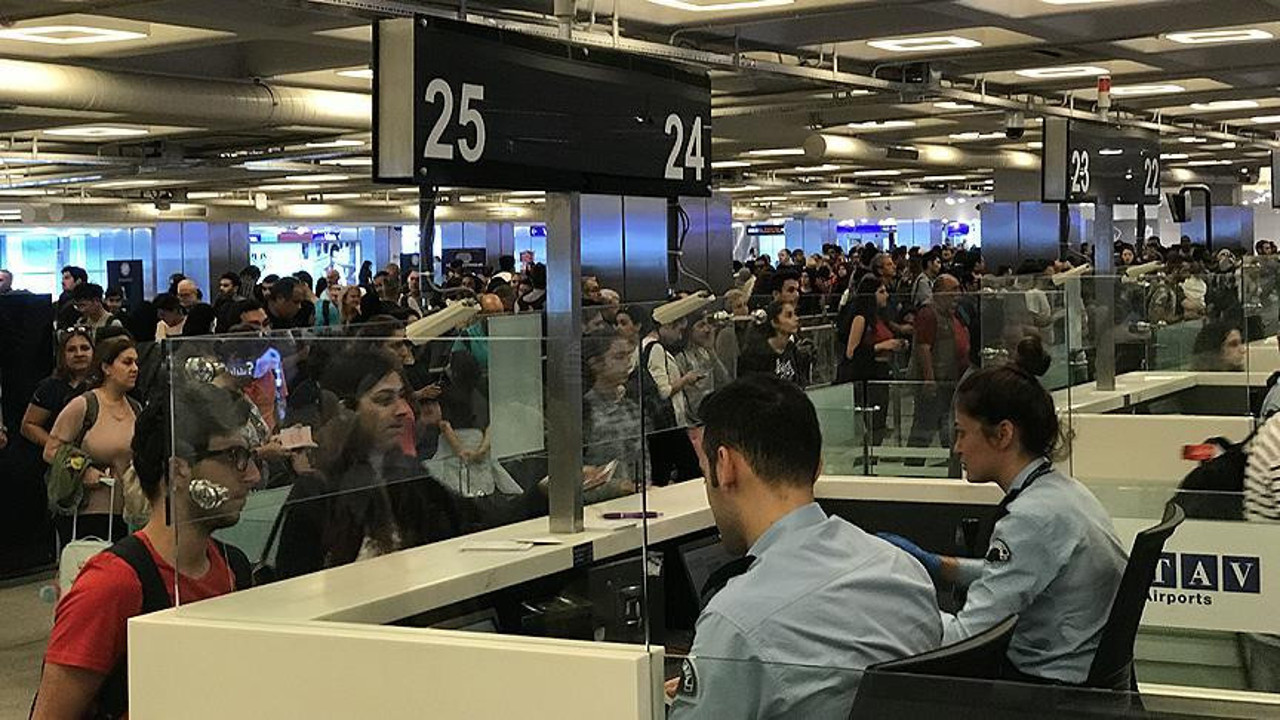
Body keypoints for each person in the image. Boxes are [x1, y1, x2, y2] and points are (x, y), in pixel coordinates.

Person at [667, 375, 941, 719]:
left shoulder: (734, 622)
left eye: (704, 471)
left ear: (725, 466)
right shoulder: (904, 571)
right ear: (818, 466)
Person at [881, 365, 1126, 684]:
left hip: (1042, 688)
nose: (957, 448)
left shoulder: (1031, 519)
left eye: (962, 433)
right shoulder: (1064, 493)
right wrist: (942, 566)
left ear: (1003, 434)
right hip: (1076, 674)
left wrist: (891, 608)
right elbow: (1021, 572)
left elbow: (963, 642)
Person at [32, 382, 259, 720]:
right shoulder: (113, 584)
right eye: (234, 457)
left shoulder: (232, 567)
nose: (252, 475)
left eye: (250, 457)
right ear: (177, 470)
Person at [273, 350, 546, 578]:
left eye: (402, 396)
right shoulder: (317, 492)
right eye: (384, 400)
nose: (403, 410)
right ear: (345, 410)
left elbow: (475, 523)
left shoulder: (406, 475)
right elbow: (292, 589)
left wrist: (543, 492)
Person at [43, 336, 140, 546]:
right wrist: (83, 470)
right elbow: (51, 450)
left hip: (128, 515)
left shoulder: (136, 409)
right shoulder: (84, 405)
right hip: (87, 514)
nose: (134, 369)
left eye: (135, 363)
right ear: (106, 368)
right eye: (127, 362)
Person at [906, 275, 969, 460]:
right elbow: (923, 347)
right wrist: (929, 379)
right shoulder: (928, 314)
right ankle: (912, 466)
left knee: (945, 427)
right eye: (953, 290)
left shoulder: (948, 314)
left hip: (948, 381)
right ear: (940, 292)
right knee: (924, 427)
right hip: (935, 382)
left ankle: (952, 463)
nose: (957, 294)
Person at [837, 276, 905, 444]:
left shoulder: (878, 317)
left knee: (879, 423)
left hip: (881, 373)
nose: (886, 295)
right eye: (881, 292)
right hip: (868, 376)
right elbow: (851, 352)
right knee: (874, 424)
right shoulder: (861, 318)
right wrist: (881, 346)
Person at [640, 306, 703, 486]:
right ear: (667, 326)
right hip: (667, 424)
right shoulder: (656, 349)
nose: (680, 336)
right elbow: (664, 391)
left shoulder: (643, 345)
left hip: (658, 425)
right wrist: (686, 379)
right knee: (690, 470)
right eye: (679, 330)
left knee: (663, 471)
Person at [21, 327, 94, 472]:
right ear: (62, 355)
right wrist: (59, 449)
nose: (79, 354)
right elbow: (28, 425)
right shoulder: (50, 387)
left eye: (85, 348)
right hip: (59, 466)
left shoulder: (104, 384)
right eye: (71, 350)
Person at [737, 301, 811, 388]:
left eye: (795, 314)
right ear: (774, 322)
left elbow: (800, 383)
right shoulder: (756, 354)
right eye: (789, 315)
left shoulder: (792, 349)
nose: (796, 318)